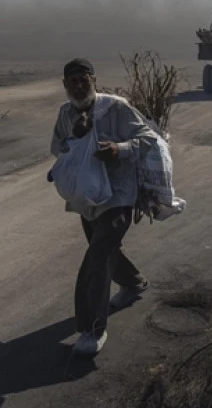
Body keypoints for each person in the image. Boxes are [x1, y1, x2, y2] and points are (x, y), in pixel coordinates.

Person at [50, 58, 155, 356]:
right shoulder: (65, 113)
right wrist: (76, 140)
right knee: (105, 248)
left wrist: (119, 149)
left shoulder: (115, 108)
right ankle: (134, 283)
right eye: (73, 81)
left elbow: (148, 138)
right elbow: (57, 147)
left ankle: (92, 328)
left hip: (118, 195)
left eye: (84, 80)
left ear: (94, 80)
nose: (79, 86)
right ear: (65, 85)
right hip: (86, 200)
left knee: (97, 256)